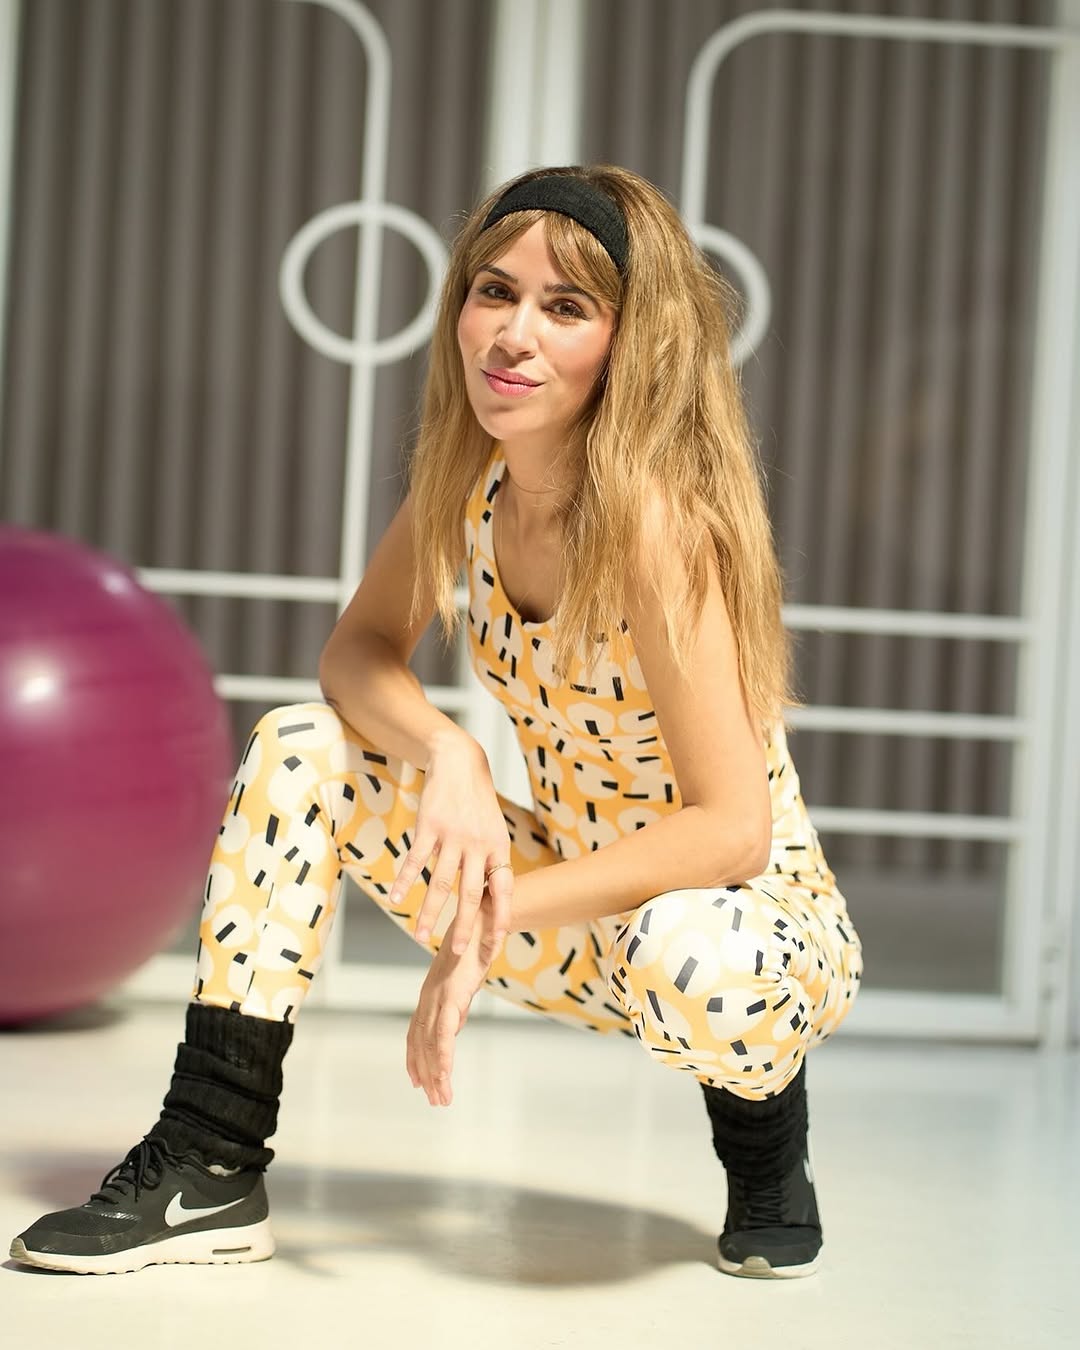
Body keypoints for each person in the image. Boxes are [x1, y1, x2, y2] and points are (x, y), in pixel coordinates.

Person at [10, 165, 862, 1281]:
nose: (512, 334)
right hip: (563, 910)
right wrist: (447, 749)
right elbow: (355, 653)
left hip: (746, 936)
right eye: (493, 291)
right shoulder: (473, 486)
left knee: (687, 950)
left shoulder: (659, 525)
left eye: (566, 308)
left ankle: (767, 1147)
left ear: (630, 343)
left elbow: (730, 833)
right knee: (301, 744)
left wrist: (489, 923)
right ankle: (210, 1160)